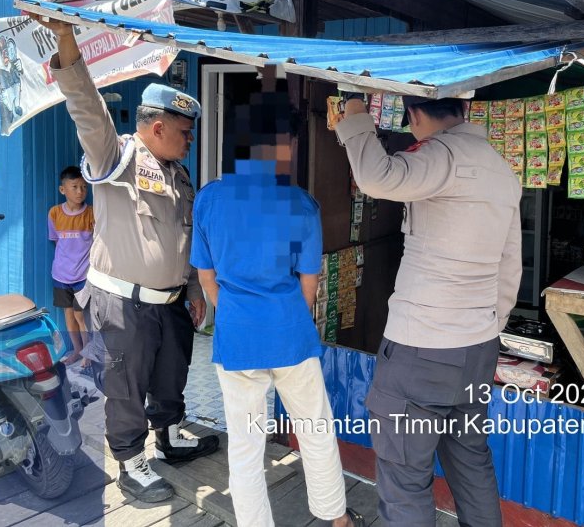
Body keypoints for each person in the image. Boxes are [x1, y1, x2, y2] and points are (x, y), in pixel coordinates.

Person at [38, 15, 219, 503]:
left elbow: (184, 235)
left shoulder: (177, 173)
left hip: (172, 300)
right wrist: (65, 39)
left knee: (170, 374)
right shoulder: (113, 157)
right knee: (126, 384)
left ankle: (169, 434)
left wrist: (196, 289)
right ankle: (130, 460)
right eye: (185, 132)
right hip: (124, 304)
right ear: (157, 127)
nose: (190, 140)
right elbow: (87, 109)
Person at [335, 95, 522, 527]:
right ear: (464, 110)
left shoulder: (441, 155)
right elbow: (511, 266)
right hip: (477, 349)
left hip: (421, 351)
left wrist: (356, 115)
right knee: (472, 465)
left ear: (416, 115)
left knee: (404, 481)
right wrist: (486, 329)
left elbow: (377, 177)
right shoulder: (501, 168)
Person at [191, 90, 363, 527]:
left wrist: (230, 311)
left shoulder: (209, 199)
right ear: (284, 144)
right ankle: (336, 519)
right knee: (315, 430)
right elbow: (310, 283)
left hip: (236, 337)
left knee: (245, 444)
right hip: (290, 334)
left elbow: (207, 278)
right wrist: (288, 316)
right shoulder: (301, 205)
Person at [48, 165, 94, 367]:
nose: (80, 191)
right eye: (74, 187)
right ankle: (76, 350)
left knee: (80, 315)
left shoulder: (92, 214)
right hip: (60, 275)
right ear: (62, 190)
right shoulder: (55, 213)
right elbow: (56, 241)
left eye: (84, 187)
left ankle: (88, 352)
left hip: (83, 276)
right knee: (68, 313)